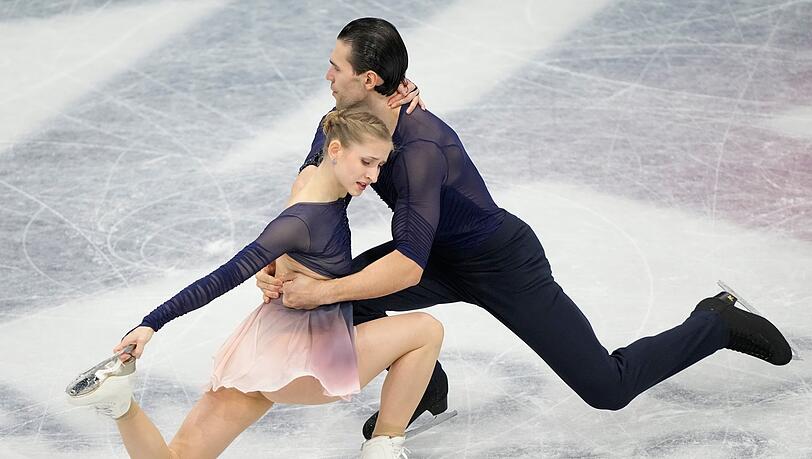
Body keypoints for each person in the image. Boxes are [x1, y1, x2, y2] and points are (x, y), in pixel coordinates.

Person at [255, 17, 794, 440]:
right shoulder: (350, 123)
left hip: (500, 262)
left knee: (608, 388)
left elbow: (406, 267)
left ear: (368, 79)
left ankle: (716, 321)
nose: (327, 75)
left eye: (335, 67)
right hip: (435, 254)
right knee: (347, 300)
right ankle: (421, 385)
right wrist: (283, 259)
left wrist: (322, 288)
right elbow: (312, 184)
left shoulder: (422, 148)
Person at [67, 109, 443, 459]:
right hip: (307, 360)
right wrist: (152, 321)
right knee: (425, 330)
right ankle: (383, 448)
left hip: (259, 353)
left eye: (379, 165)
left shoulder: (317, 183)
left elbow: (330, 131)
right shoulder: (300, 222)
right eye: (366, 162)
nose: (373, 176)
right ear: (336, 150)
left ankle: (122, 406)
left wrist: (391, 95)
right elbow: (225, 275)